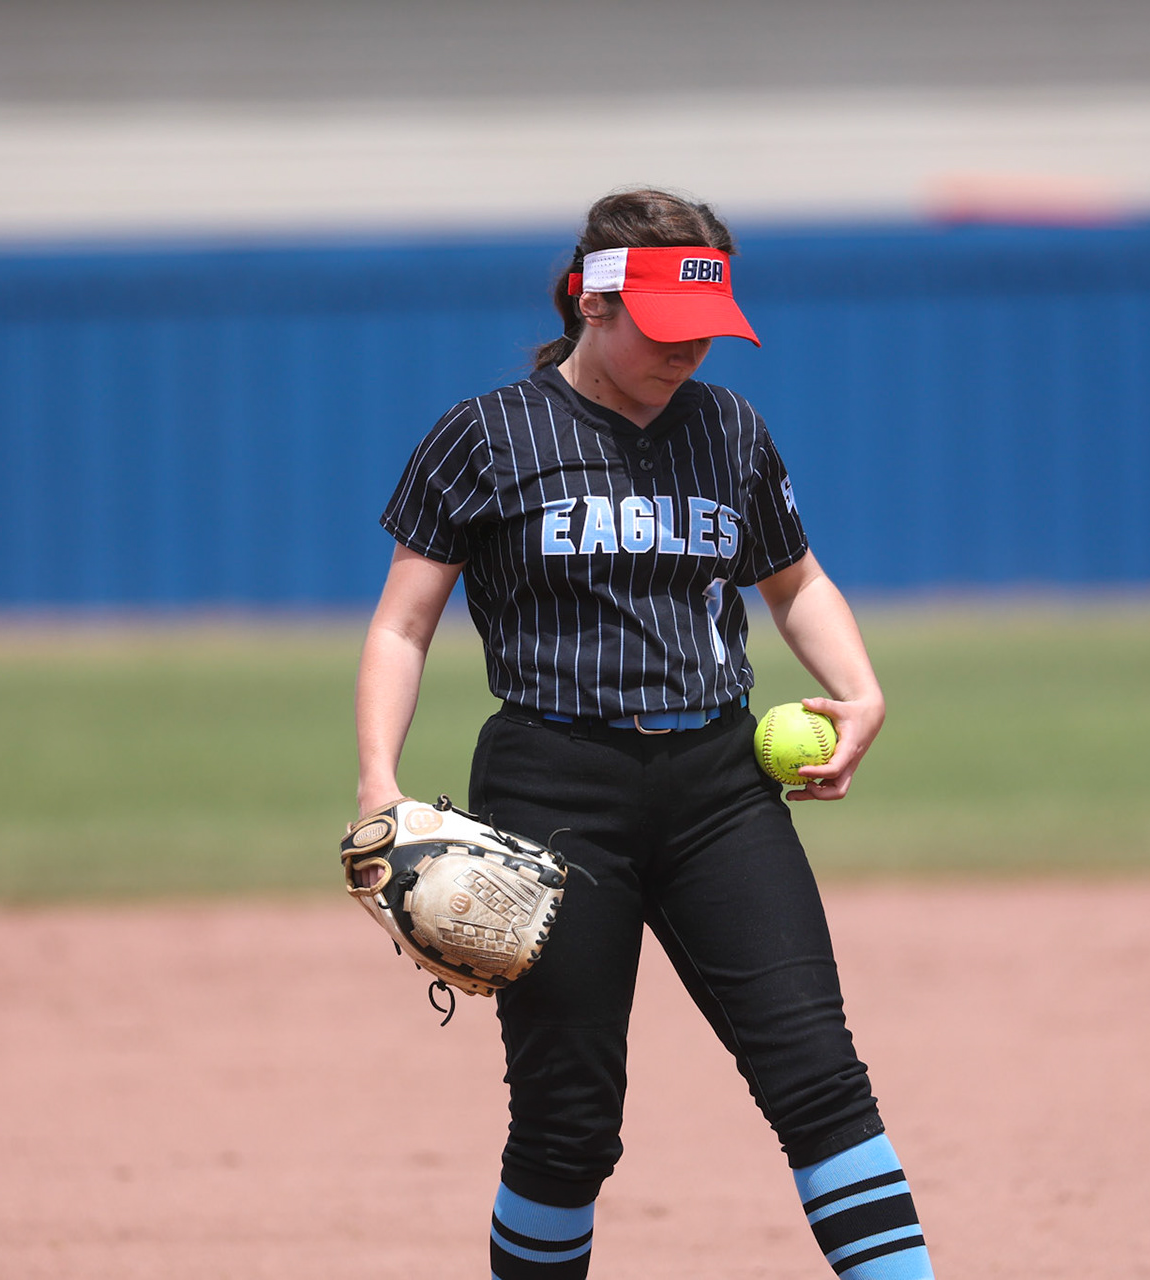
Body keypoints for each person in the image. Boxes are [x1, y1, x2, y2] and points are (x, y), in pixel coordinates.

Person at [354, 188, 935, 1280]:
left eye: (708, 328)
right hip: (553, 789)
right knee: (568, 1121)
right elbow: (402, 624)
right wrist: (379, 780)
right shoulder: (487, 435)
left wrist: (860, 690)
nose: (690, 350)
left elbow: (794, 579)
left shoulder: (729, 428)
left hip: (718, 788)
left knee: (818, 1075)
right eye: (668, 328)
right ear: (593, 302)